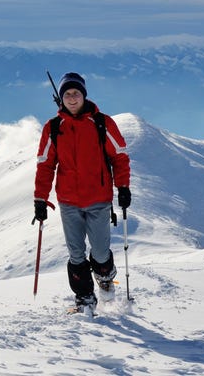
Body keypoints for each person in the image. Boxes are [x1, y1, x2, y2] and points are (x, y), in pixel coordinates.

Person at [33, 72, 131, 312]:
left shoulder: (101, 123)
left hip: (98, 199)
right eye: (67, 94)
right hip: (68, 202)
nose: (72, 98)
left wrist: (123, 187)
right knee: (76, 254)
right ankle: (84, 298)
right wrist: (40, 199)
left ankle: (105, 277)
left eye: (76, 93)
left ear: (84, 95)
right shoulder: (54, 127)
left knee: (99, 252)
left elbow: (119, 157)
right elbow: (45, 165)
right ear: (61, 98)